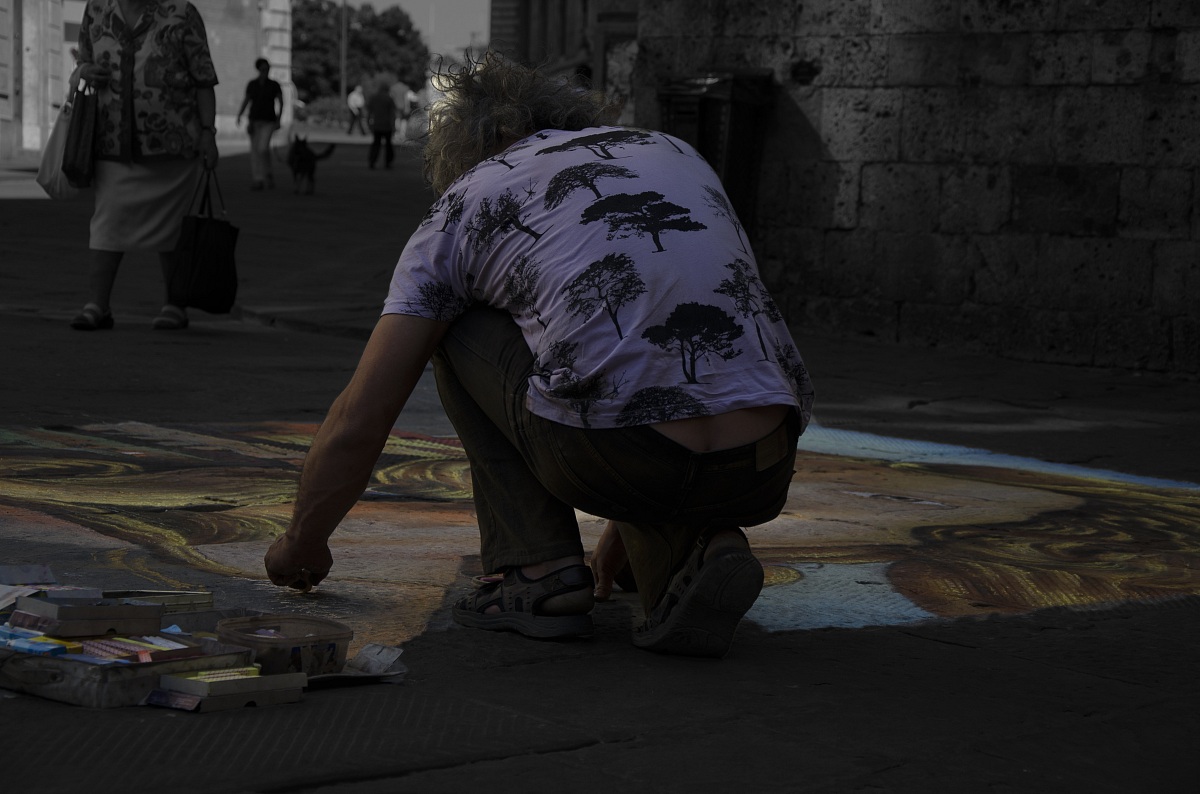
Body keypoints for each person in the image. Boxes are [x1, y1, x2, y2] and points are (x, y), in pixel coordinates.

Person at [263, 53, 815, 659]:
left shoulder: (470, 195)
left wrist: (301, 542)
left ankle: (537, 571)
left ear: (469, 147)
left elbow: (361, 416)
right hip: (765, 460)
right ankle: (700, 545)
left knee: (452, 320)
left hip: (621, 451)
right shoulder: (672, 151)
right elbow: (660, 337)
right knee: (615, 357)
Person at [70, 0, 219, 332]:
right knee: (107, 222)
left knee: (173, 227)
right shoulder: (97, 9)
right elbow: (82, 59)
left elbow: (204, 79)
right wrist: (84, 72)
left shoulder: (182, 12)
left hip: (173, 142)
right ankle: (97, 304)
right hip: (112, 139)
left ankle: (174, 305)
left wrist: (209, 133)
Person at [235, 57, 283, 190]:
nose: (265, 71)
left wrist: (279, 119)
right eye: (262, 69)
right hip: (254, 120)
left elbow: (281, 101)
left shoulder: (274, 85)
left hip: (268, 121)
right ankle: (258, 178)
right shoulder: (253, 84)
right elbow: (247, 100)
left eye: (267, 69)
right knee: (255, 151)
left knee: (263, 148)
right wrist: (240, 114)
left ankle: (267, 173)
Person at [366, 83, 396, 170]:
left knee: (376, 144)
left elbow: (369, 112)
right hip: (387, 125)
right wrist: (393, 125)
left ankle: (372, 161)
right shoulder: (389, 99)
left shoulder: (374, 98)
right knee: (388, 145)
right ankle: (388, 162)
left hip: (377, 125)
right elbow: (392, 113)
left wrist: (368, 122)